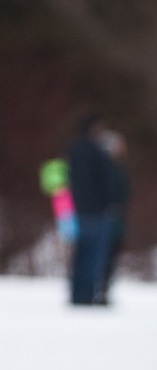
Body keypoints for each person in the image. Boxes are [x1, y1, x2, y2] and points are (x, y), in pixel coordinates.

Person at [64, 114, 121, 307]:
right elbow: (108, 183)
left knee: (79, 254)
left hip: (74, 211)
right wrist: (111, 203)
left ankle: (75, 293)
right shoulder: (99, 152)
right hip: (97, 212)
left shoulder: (72, 150)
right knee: (94, 256)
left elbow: (59, 179)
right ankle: (87, 295)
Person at [98, 129, 130, 305]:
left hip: (117, 218)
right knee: (103, 255)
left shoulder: (118, 169)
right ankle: (98, 290)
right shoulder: (105, 169)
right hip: (107, 218)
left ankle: (104, 290)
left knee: (111, 255)